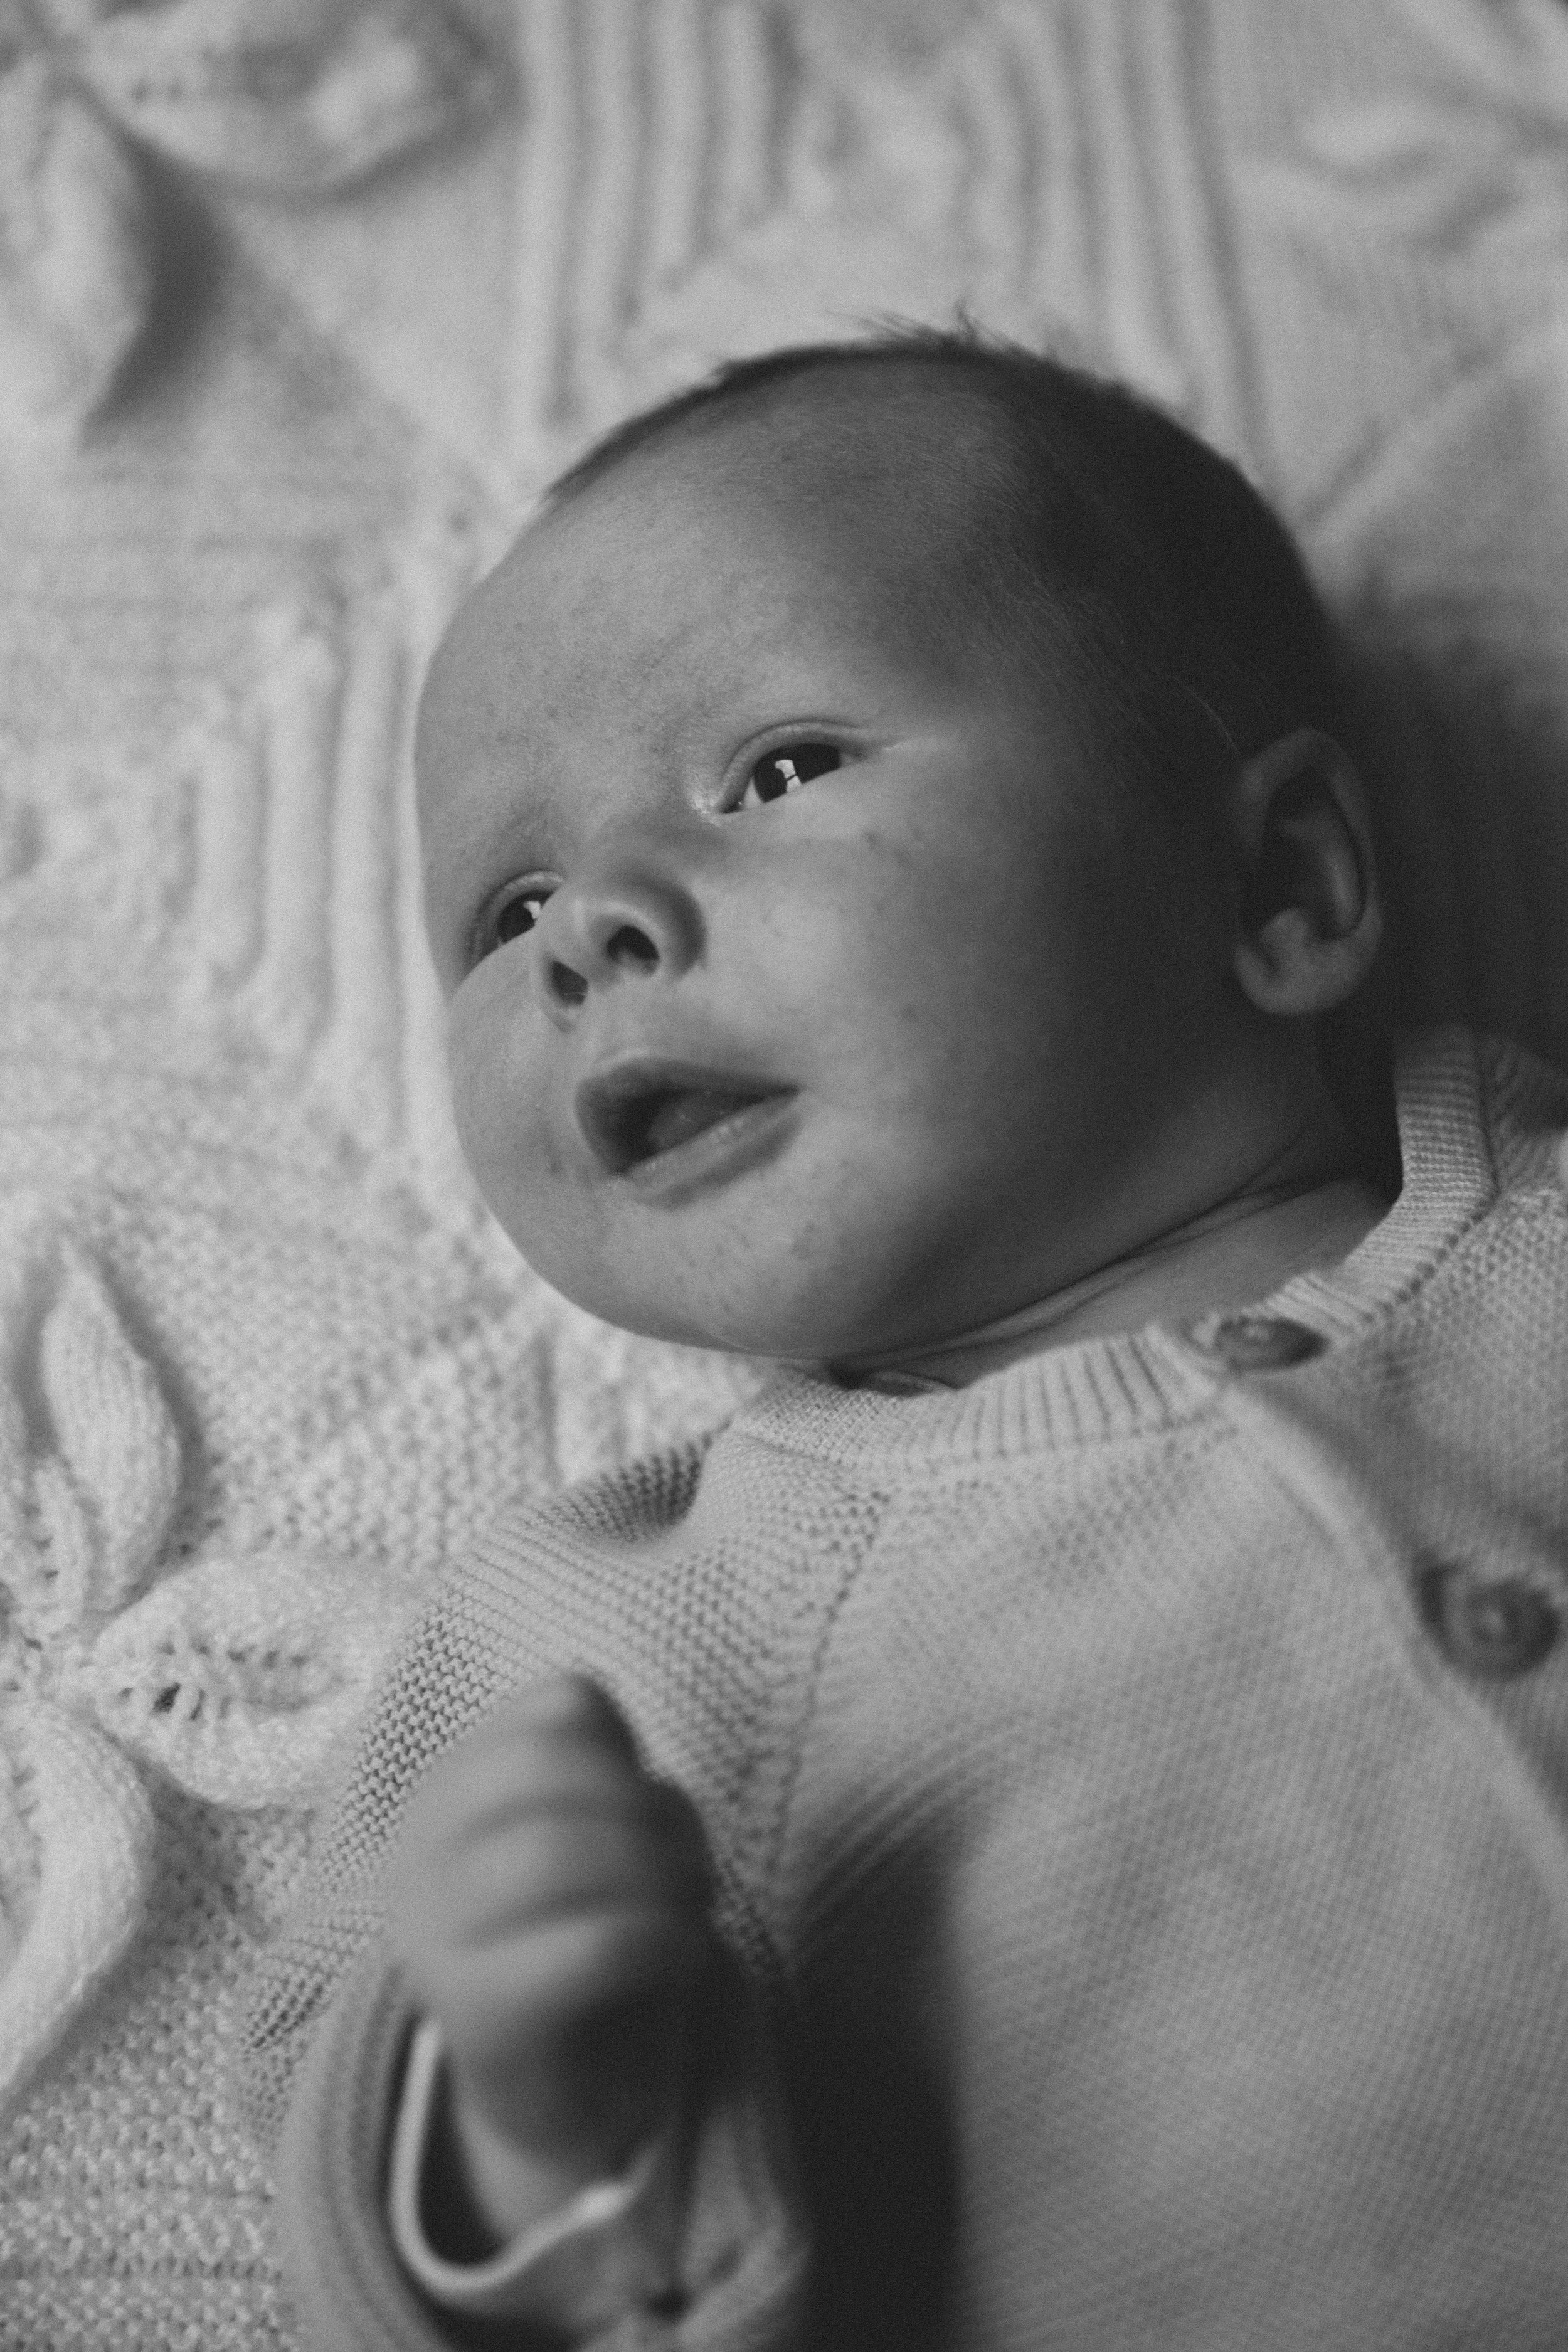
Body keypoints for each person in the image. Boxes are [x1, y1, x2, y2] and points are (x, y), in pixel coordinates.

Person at [240, 329, 1568, 2350]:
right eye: (504, 909)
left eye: (773, 771)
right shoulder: (623, 1637)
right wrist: (516, 2127)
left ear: (1279, 880)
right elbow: (362, 2220)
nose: (592, 921)